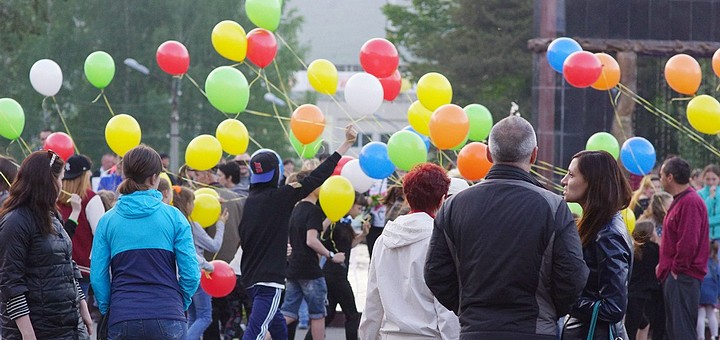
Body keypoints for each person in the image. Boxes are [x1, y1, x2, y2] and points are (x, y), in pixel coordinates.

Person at [425, 116, 588, 339]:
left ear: (489, 155)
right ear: (534, 154)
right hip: (534, 329)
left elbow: (436, 273)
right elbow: (573, 275)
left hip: (476, 329)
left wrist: (468, 309)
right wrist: (550, 312)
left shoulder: (454, 205)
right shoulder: (553, 207)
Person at [239, 125, 356, 340]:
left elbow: (247, 238)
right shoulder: (279, 197)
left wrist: (276, 250)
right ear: (277, 174)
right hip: (268, 283)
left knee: (280, 329)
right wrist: (346, 144)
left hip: (251, 278)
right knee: (254, 334)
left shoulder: (250, 202)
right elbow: (317, 177)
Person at [90, 145, 199, 339]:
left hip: (123, 315)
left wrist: (110, 308)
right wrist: (178, 301)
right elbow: (191, 273)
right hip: (168, 313)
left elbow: (98, 276)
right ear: (154, 178)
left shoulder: (107, 221)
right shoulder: (174, 217)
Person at [0, 150, 92, 339]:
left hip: (68, 326)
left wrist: (83, 308)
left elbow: (67, 263)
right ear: (48, 181)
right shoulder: (15, 221)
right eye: (60, 179)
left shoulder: (53, 216)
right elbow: (10, 281)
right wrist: (27, 334)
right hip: (39, 329)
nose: (61, 185)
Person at [360, 163, 459, 339]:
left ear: (407, 196)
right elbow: (445, 307)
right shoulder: (439, 240)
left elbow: (373, 303)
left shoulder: (383, 240)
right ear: (443, 199)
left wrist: (367, 336)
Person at [560, 150, 633, 339]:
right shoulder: (602, 226)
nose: (563, 180)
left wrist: (565, 299)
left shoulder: (607, 233)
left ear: (592, 181)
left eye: (571, 174)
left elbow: (613, 307)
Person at [281, 170, 347, 340]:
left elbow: (308, 233)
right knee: (318, 315)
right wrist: (331, 255)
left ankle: (260, 336)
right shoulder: (313, 211)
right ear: (312, 187)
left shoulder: (296, 209)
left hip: (294, 268)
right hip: (310, 270)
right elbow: (311, 240)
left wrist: (331, 217)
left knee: (288, 314)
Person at [188, 164, 244, 340]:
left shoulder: (199, 202)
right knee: (230, 313)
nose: (194, 179)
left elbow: (201, 239)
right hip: (231, 268)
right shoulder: (236, 198)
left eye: (196, 174)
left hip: (208, 269)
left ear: (205, 174)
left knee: (207, 316)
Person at [657, 156, 710, 340]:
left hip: (682, 276)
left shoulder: (690, 202)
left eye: (662, 175)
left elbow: (688, 241)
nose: (660, 179)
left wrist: (676, 268)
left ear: (670, 177)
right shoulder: (681, 200)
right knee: (673, 330)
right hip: (676, 275)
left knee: (681, 331)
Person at [172, 186, 229, 340]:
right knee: (205, 316)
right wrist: (221, 224)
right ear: (187, 204)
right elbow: (214, 246)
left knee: (192, 316)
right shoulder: (192, 225)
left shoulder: (173, 222)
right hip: (196, 274)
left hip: (178, 276)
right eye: (193, 202)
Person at [316, 193, 370, 340]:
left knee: (329, 313)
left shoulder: (346, 223)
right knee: (352, 314)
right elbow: (319, 236)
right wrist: (331, 217)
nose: (360, 212)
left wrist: (362, 235)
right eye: (359, 208)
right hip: (334, 274)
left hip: (338, 273)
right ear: (349, 206)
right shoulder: (334, 222)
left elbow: (347, 246)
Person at [58, 155, 105, 299]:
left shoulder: (55, 199)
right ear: (85, 176)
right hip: (83, 270)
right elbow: (101, 235)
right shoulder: (91, 199)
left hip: (57, 269)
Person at [624, 221, 663, 340]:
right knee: (632, 328)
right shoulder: (654, 249)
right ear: (650, 234)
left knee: (643, 324)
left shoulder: (632, 249)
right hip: (642, 295)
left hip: (629, 293)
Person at [698, 241, 720, 340]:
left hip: (701, 290)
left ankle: (701, 336)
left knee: (700, 315)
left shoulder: (700, 262)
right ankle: (714, 336)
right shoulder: (716, 263)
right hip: (712, 292)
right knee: (711, 314)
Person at [697, 164, 720, 241]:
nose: (711, 182)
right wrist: (710, 198)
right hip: (705, 237)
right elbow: (702, 213)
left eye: (714, 179)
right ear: (703, 179)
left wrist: (707, 221)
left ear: (719, 179)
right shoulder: (699, 194)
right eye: (708, 179)